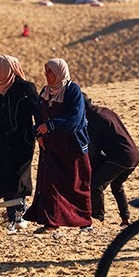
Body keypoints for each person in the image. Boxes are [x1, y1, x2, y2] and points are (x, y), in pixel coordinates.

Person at [25, 58, 92, 231]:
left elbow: (75, 119)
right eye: (45, 71)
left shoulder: (72, 91)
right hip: (51, 147)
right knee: (49, 184)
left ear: (59, 73)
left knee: (77, 185)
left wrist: (51, 125)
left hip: (72, 147)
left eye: (50, 72)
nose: (46, 75)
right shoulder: (46, 91)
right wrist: (38, 132)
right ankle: (51, 223)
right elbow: (39, 114)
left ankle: (84, 222)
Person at [0, 56, 39, 232]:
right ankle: (12, 217)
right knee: (4, 179)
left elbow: (38, 113)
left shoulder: (26, 88)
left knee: (19, 178)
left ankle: (19, 213)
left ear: (8, 68)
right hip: (0, 141)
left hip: (22, 141)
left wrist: (33, 135)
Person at [84, 96, 139, 226]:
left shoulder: (93, 120)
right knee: (117, 186)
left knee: (95, 185)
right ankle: (125, 218)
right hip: (134, 154)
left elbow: (94, 149)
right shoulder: (104, 111)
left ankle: (98, 218)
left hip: (120, 157)